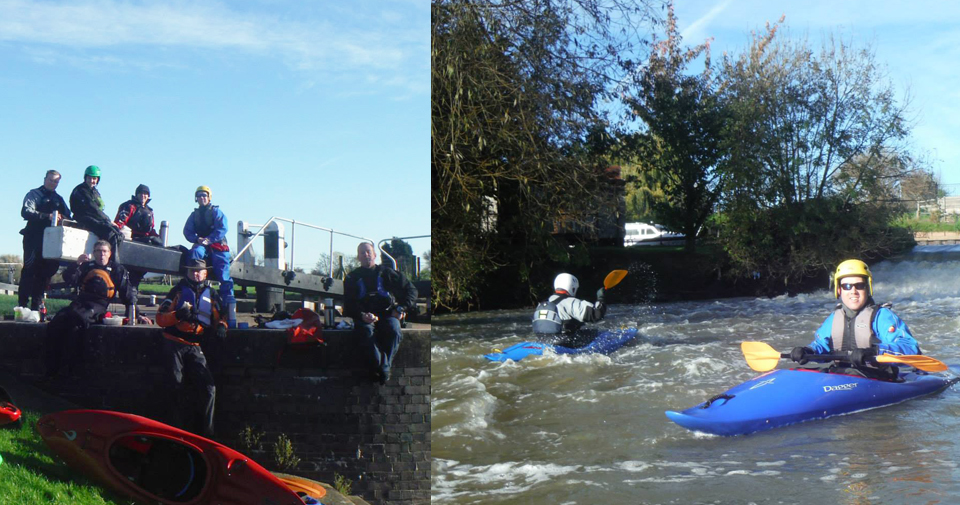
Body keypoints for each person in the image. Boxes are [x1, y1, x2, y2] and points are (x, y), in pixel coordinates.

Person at [790, 259, 920, 379]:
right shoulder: (834, 318)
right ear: (839, 290)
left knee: (853, 373)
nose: (853, 291)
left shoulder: (882, 316)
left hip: (877, 378)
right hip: (843, 375)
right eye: (847, 286)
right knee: (797, 371)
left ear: (867, 288)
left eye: (859, 286)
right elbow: (821, 346)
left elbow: (910, 349)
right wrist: (807, 352)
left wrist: (873, 352)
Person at [43, 240, 137, 378]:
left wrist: (135, 314)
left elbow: (128, 294)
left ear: (110, 254)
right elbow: (70, 278)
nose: (101, 254)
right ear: (94, 253)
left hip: (99, 305)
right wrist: (76, 264)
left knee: (76, 323)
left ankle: (70, 369)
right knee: (57, 321)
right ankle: (51, 367)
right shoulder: (86, 266)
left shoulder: (117, 269)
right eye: (98, 251)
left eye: (104, 251)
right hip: (81, 302)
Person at [155, 258, 226, 438]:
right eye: (192, 270)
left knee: (209, 389)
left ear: (205, 273)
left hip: (195, 345)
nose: (196, 273)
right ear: (187, 272)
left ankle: (206, 434)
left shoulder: (212, 294)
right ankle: (174, 432)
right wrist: (177, 315)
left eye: (199, 271)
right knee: (174, 386)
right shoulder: (177, 291)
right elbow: (160, 319)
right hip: (174, 342)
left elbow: (221, 316)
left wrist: (221, 326)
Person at [343, 242, 418, 384]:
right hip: (364, 317)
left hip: (387, 314)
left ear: (375, 255)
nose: (366, 255)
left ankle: (383, 367)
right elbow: (348, 305)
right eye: (362, 253)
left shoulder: (387, 273)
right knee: (364, 333)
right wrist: (361, 315)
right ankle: (382, 367)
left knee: (394, 331)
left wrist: (401, 308)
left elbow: (412, 291)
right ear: (358, 257)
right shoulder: (352, 278)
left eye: (368, 252)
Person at [19, 170, 72, 320]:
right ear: (45, 179)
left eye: (56, 181)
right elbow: (26, 212)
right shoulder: (34, 194)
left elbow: (68, 216)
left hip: (51, 241)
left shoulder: (58, 199)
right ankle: (22, 305)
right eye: (51, 180)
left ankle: (36, 307)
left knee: (45, 274)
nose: (53, 183)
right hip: (33, 237)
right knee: (29, 270)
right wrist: (45, 216)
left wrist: (62, 218)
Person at [183, 185, 235, 325]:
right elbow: (187, 231)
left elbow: (223, 228)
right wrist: (197, 239)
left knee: (224, 275)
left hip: (218, 245)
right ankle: (196, 291)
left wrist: (210, 239)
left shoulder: (216, 212)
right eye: (199, 196)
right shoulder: (194, 215)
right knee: (194, 253)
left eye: (204, 195)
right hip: (202, 246)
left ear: (209, 197)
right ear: (196, 198)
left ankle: (229, 311)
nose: (202, 198)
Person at [531, 273, 607, 348]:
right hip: (565, 343)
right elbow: (597, 315)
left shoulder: (542, 303)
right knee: (596, 333)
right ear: (572, 288)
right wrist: (601, 299)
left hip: (542, 341)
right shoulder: (571, 302)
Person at [70, 165, 124, 262]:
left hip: (96, 219)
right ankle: (113, 263)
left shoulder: (95, 192)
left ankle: (115, 261)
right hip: (84, 219)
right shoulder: (81, 190)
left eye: (94, 178)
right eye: (89, 178)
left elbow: (99, 210)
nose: (92, 180)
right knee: (110, 232)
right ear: (85, 177)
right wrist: (108, 220)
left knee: (117, 232)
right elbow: (92, 208)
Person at [114, 184, 162, 287]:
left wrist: (157, 238)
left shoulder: (150, 210)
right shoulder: (129, 206)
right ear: (136, 195)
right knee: (130, 272)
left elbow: (151, 229)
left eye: (145, 194)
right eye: (141, 193)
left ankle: (133, 285)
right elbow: (120, 222)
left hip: (144, 241)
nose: (143, 196)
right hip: (130, 240)